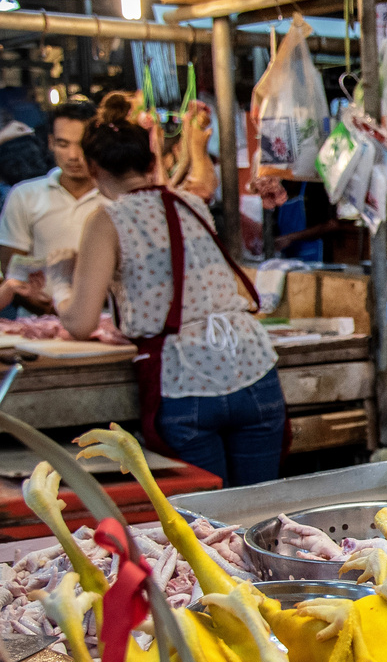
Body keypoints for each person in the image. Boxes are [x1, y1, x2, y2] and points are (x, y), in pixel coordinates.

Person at [59, 94, 283, 486]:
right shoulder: (190, 202)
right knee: (258, 513)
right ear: (151, 163)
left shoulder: (107, 219)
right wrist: (195, 144)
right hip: (254, 367)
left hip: (186, 379)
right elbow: (205, 182)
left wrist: (59, 282)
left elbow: (80, 322)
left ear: (94, 168)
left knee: (205, 526)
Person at [0, 99, 107, 312]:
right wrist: (34, 301)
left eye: (81, 145)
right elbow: (12, 268)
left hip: (103, 322)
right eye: (63, 144)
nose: (73, 156)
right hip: (36, 327)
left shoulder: (115, 198)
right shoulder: (24, 195)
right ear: (50, 142)